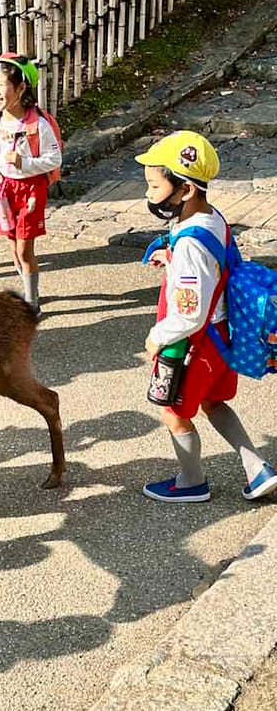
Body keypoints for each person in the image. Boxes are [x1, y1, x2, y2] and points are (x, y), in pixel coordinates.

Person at [137, 131, 276, 502]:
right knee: (214, 402)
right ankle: (257, 468)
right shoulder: (210, 218)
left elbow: (189, 313)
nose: (149, 194)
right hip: (220, 335)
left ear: (184, 189)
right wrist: (171, 257)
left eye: (154, 185)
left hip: (192, 345)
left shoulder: (190, 245)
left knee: (172, 412)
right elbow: (208, 271)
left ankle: (191, 482)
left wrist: (157, 336)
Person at [0, 53, 62, 315]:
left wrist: (24, 163)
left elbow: (54, 158)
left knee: (25, 249)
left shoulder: (38, 124)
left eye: (2, 84)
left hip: (30, 191)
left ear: (21, 87)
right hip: (3, 191)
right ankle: (29, 289)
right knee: (13, 246)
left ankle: (32, 301)